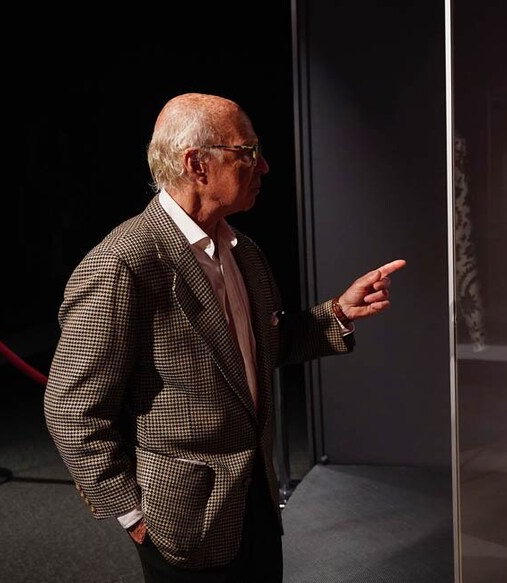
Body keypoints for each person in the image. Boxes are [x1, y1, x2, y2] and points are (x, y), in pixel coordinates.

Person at [43, 92, 406, 582]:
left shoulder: (244, 252)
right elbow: (70, 407)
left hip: (256, 496)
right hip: (181, 519)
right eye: (249, 152)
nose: (265, 166)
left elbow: (260, 351)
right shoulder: (124, 263)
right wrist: (131, 512)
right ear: (197, 165)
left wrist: (338, 312)